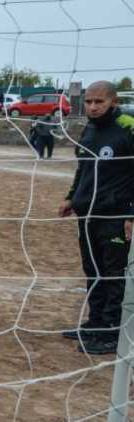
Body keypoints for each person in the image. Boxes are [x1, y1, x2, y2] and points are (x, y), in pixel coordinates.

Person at [58, 81, 134, 355]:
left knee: (114, 273)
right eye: (89, 101)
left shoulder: (128, 126)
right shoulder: (90, 129)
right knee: (93, 270)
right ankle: (96, 322)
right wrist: (71, 196)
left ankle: (112, 332)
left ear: (113, 102)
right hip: (87, 213)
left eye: (98, 102)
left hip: (116, 215)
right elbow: (83, 169)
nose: (92, 106)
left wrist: (131, 213)